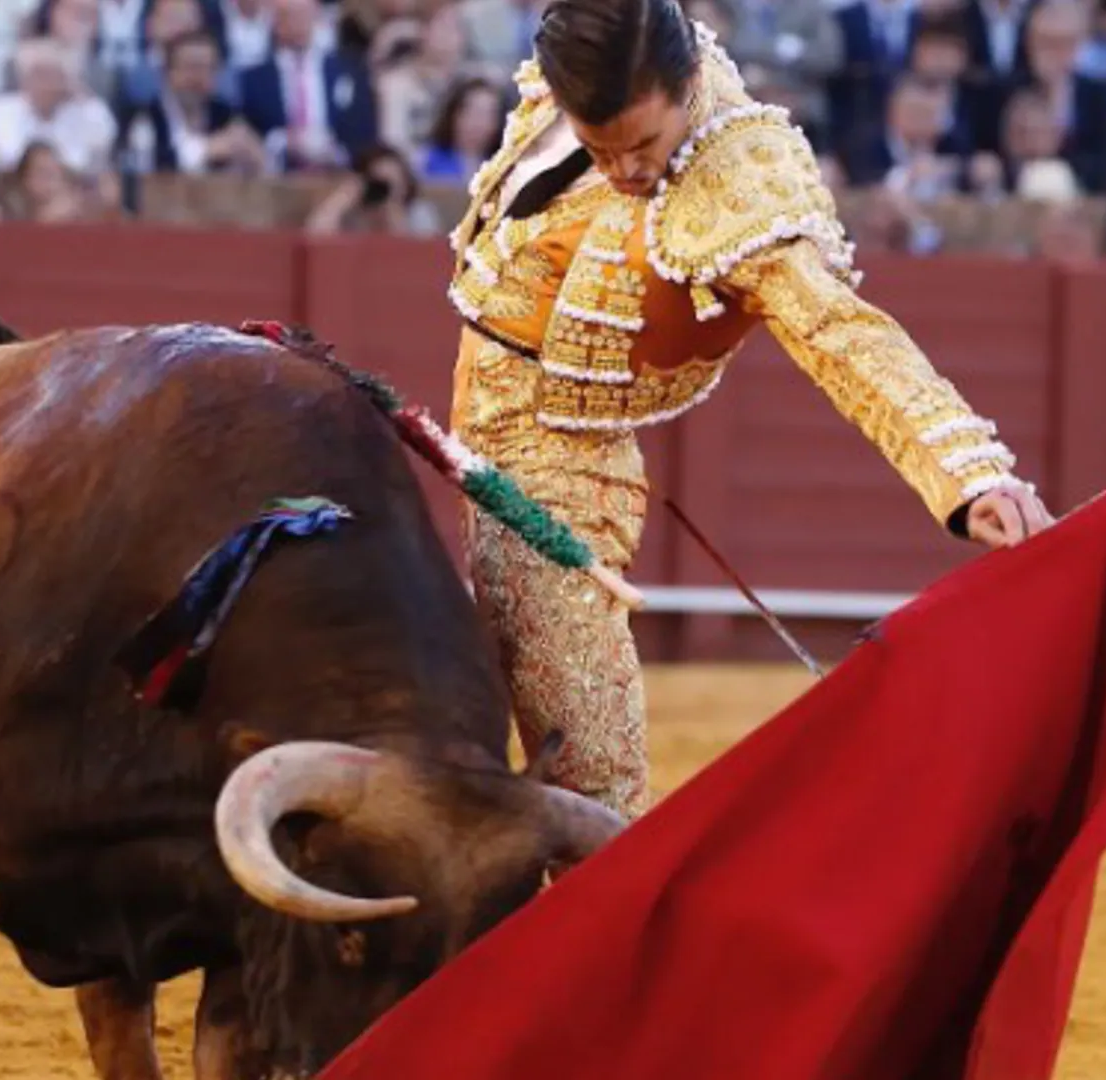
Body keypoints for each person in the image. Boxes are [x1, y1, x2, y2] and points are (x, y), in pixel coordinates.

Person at [445, 0, 1053, 821]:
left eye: (644, 149)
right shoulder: (603, 45)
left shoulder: (740, 182)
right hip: (472, 438)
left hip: (559, 466)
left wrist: (971, 474)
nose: (623, 172)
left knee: (590, 798)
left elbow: (843, 337)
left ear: (687, 85)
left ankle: (612, 940)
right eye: (599, 151)